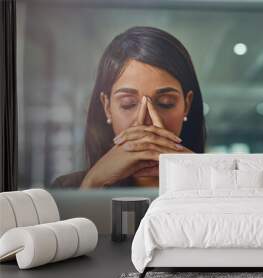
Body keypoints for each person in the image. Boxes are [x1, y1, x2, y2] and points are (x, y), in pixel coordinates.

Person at [51, 26, 207, 190]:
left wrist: (204, 179)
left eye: (165, 103)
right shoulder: (69, 189)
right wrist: (94, 183)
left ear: (186, 105)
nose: (147, 123)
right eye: (128, 104)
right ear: (107, 107)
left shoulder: (215, 185)